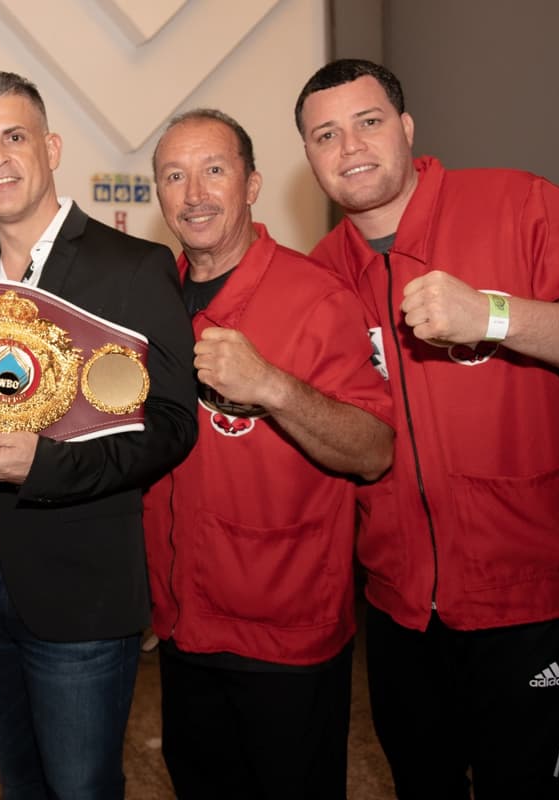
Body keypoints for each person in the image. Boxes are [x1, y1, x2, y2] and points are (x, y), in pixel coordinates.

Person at [296, 58, 559, 798]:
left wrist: (493, 315)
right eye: (325, 135)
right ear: (309, 156)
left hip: (535, 594)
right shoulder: (321, 274)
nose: (350, 146)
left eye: (368, 122)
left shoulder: (517, 204)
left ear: (406, 128)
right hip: (398, 603)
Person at [0, 69, 198, 798]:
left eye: (14, 136)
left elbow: (172, 425)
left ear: (52, 147)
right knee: (18, 782)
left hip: (82, 588)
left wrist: (45, 465)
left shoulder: (131, 267)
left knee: (81, 788)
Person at [142, 109, 394, 799]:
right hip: (184, 626)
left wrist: (273, 388)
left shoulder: (316, 298)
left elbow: (374, 451)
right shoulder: (150, 300)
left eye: (213, 170)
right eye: (174, 176)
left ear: (251, 184)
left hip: (285, 640)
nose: (194, 193)